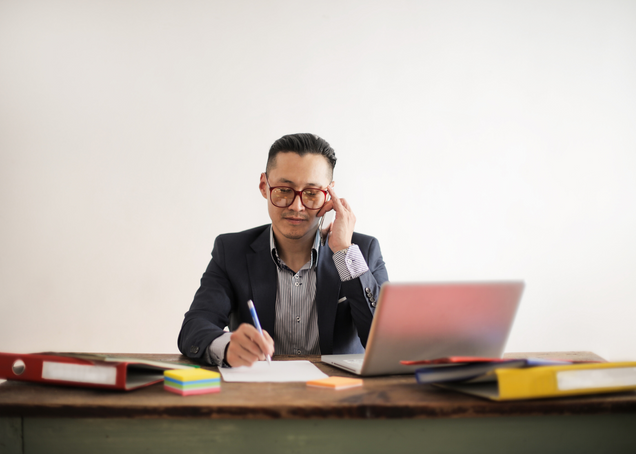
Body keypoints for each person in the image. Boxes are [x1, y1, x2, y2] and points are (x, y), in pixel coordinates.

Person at [177, 133, 389, 367]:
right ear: (264, 186)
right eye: (284, 190)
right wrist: (226, 345)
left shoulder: (363, 252)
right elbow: (194, 327)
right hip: (262, 395)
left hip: (338, 396)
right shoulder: (231, 251)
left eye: (311, 193)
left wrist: (344, 253)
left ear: (329, 194)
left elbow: (385, 342)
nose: (296, 206)